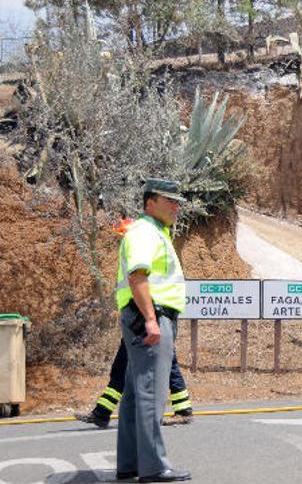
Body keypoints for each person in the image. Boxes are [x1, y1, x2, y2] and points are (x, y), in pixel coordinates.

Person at [76, 218, 193, 430]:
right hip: (141, 315)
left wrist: (145, 315)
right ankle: (102, 411)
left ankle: (182, 410)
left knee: (162, 362)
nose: (121, 237)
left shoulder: (139, 241)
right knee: (127, 363)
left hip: (146, 314)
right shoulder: (138, 242)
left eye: (122, 233)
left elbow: (139, 282)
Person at [114, 179, 191, 482]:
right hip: (151, 316)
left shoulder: (151, 231)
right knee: (151, 394)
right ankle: (154, 467)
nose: (176, 206)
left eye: (178, 201)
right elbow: (137, 276)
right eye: (169, 200)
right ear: (150, 203)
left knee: (135, 394)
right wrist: (151, 319)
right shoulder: (145, 232)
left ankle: (130, 464)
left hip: (145, 315)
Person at [74, 340, 193, 429]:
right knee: (121, 370)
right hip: (140, 326)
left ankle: (183, 411)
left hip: (144, 326)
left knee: (169, 368)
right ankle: (102, 413)